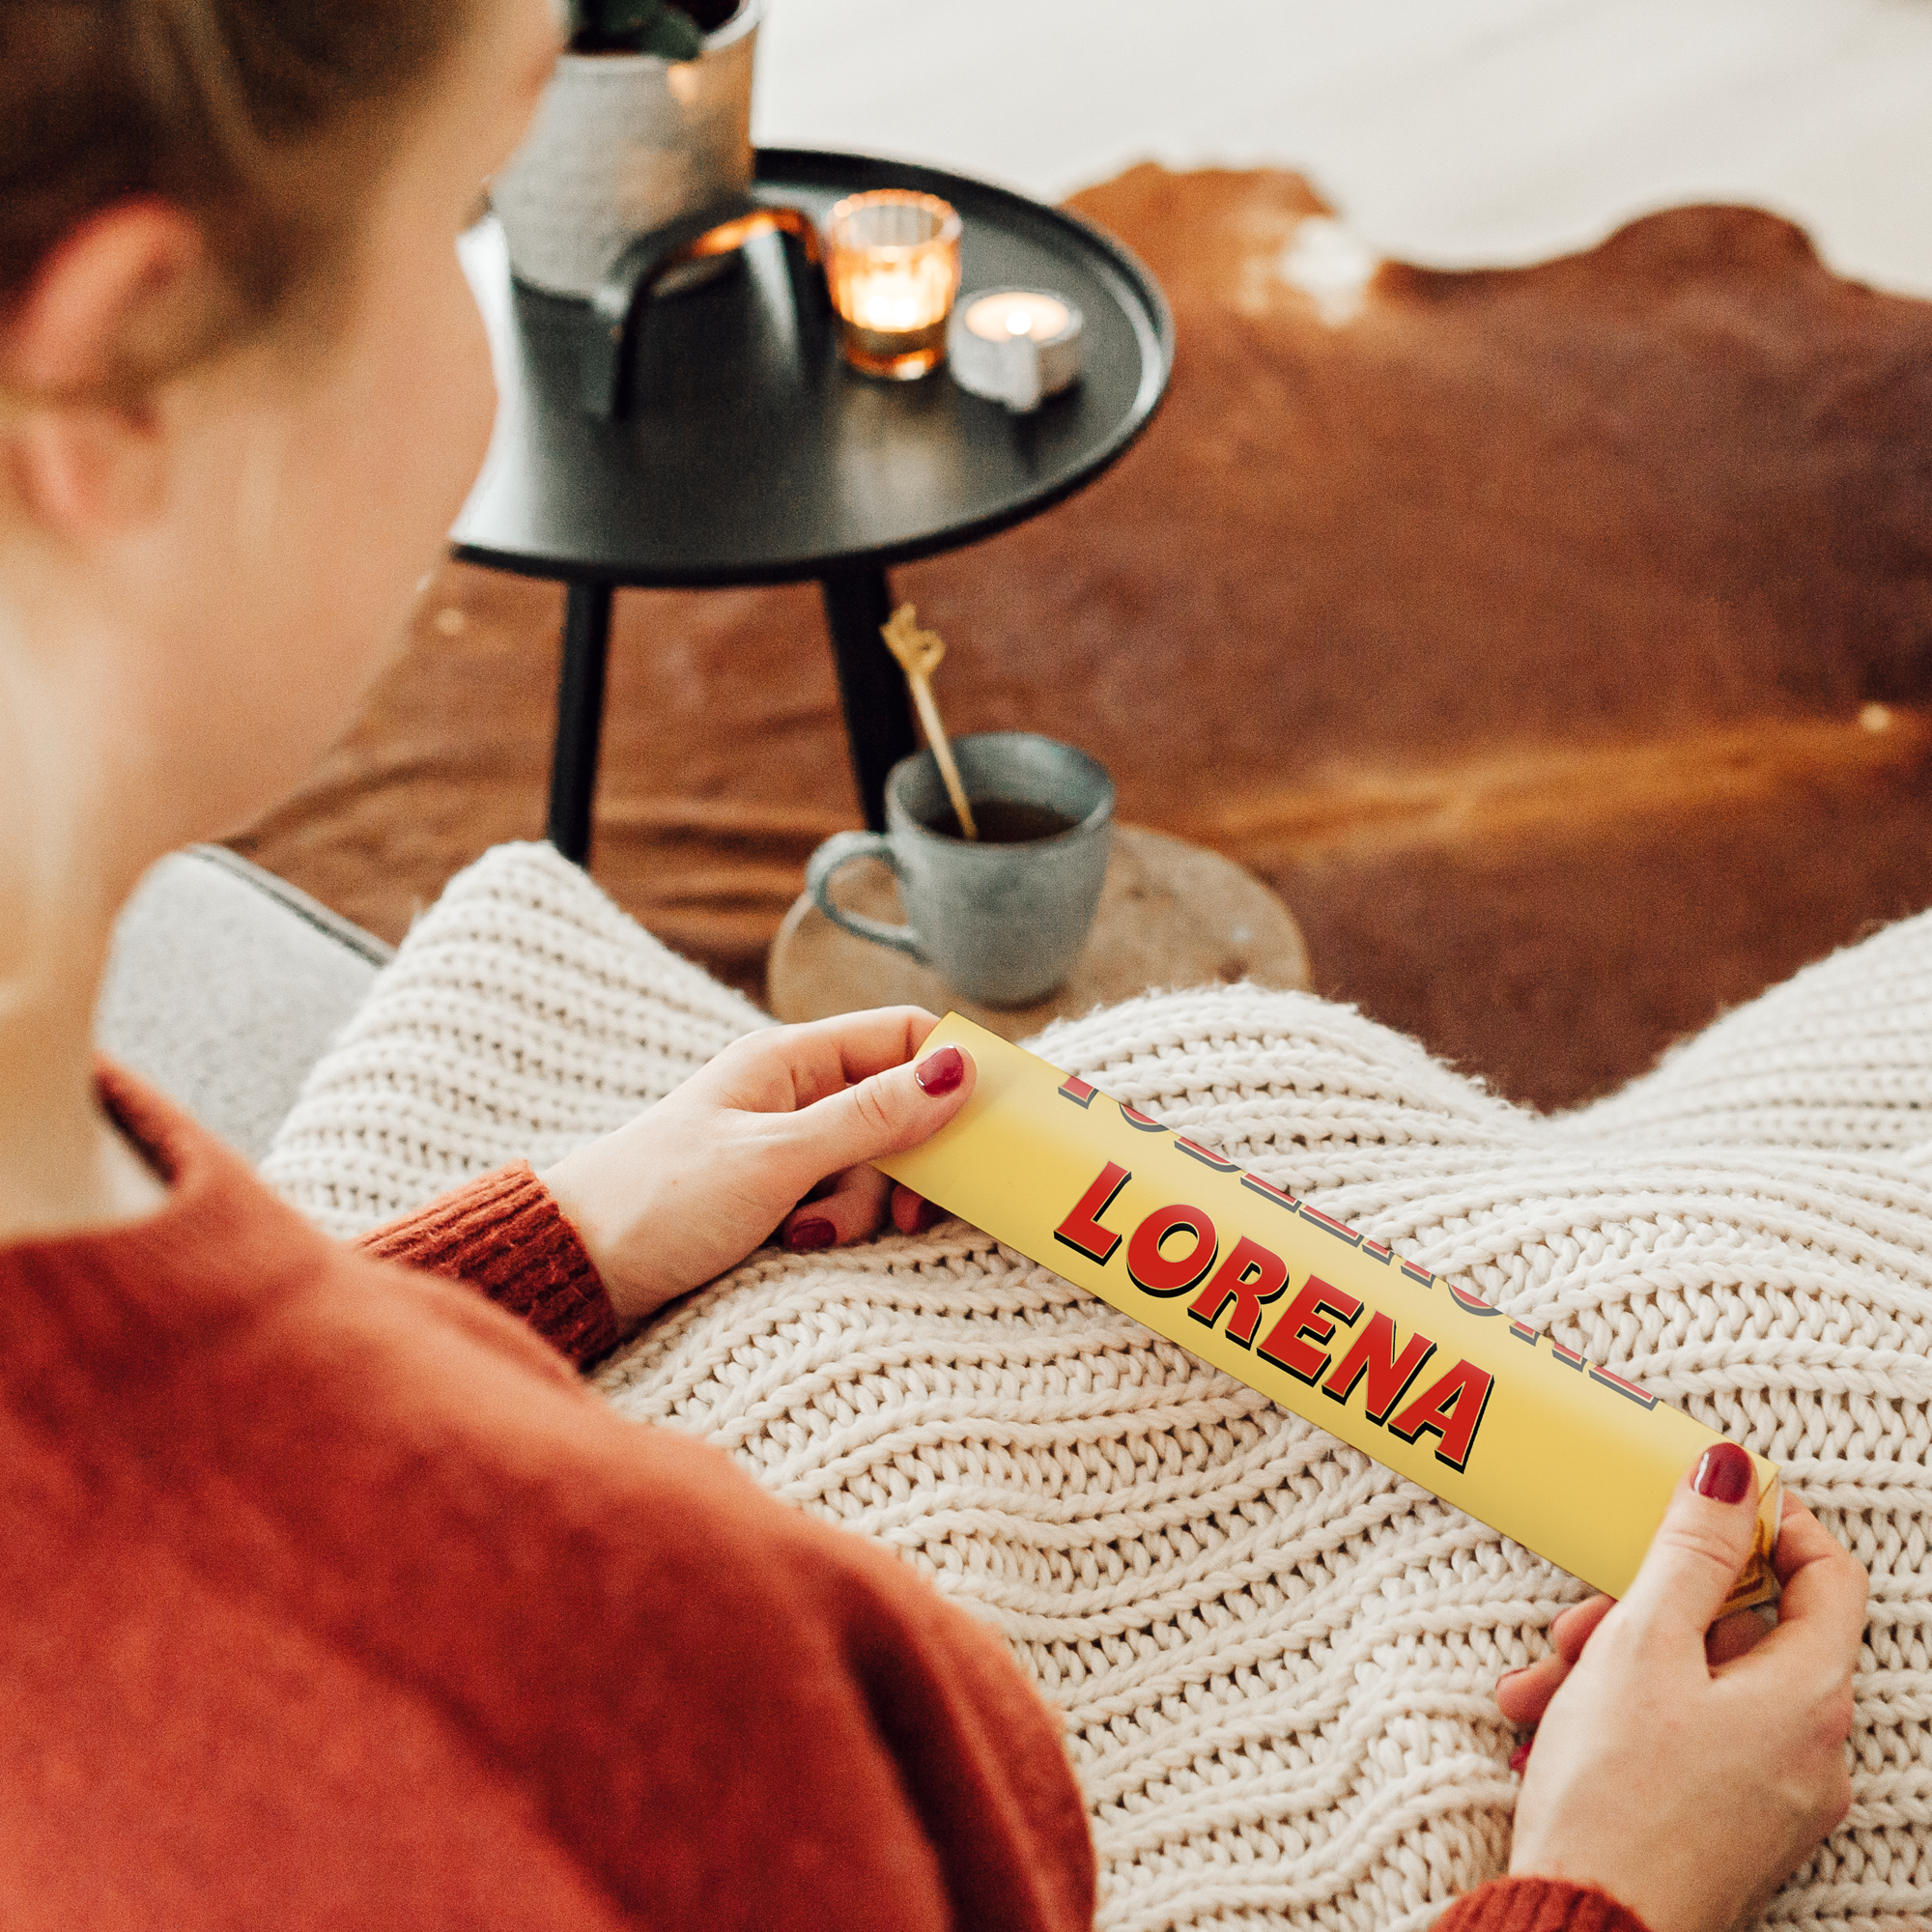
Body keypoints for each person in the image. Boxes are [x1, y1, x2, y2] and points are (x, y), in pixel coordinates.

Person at [0, 0, 1866, 1926]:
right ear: (126, 355)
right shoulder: (642, 1698)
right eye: (462, 211)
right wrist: (1603, 1885)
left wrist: (550, 1237)